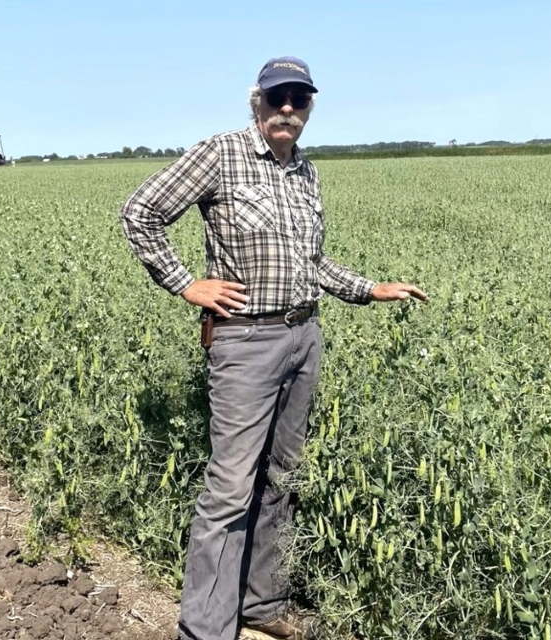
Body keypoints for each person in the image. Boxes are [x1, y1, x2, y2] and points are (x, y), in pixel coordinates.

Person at [120, 55, 427, 640]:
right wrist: (185, 283)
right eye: (277, 97)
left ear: (310, 108)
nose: (288, 108)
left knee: (282, 476)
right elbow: (140, 213)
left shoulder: (306, 172)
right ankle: (206, 629)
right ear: (255, 101)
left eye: (300, 99)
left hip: (302, 334)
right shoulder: (221, 153)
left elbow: (310, 264)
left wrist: (370, 288)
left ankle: (264, 604)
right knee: (231, 486)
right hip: (244, 341)